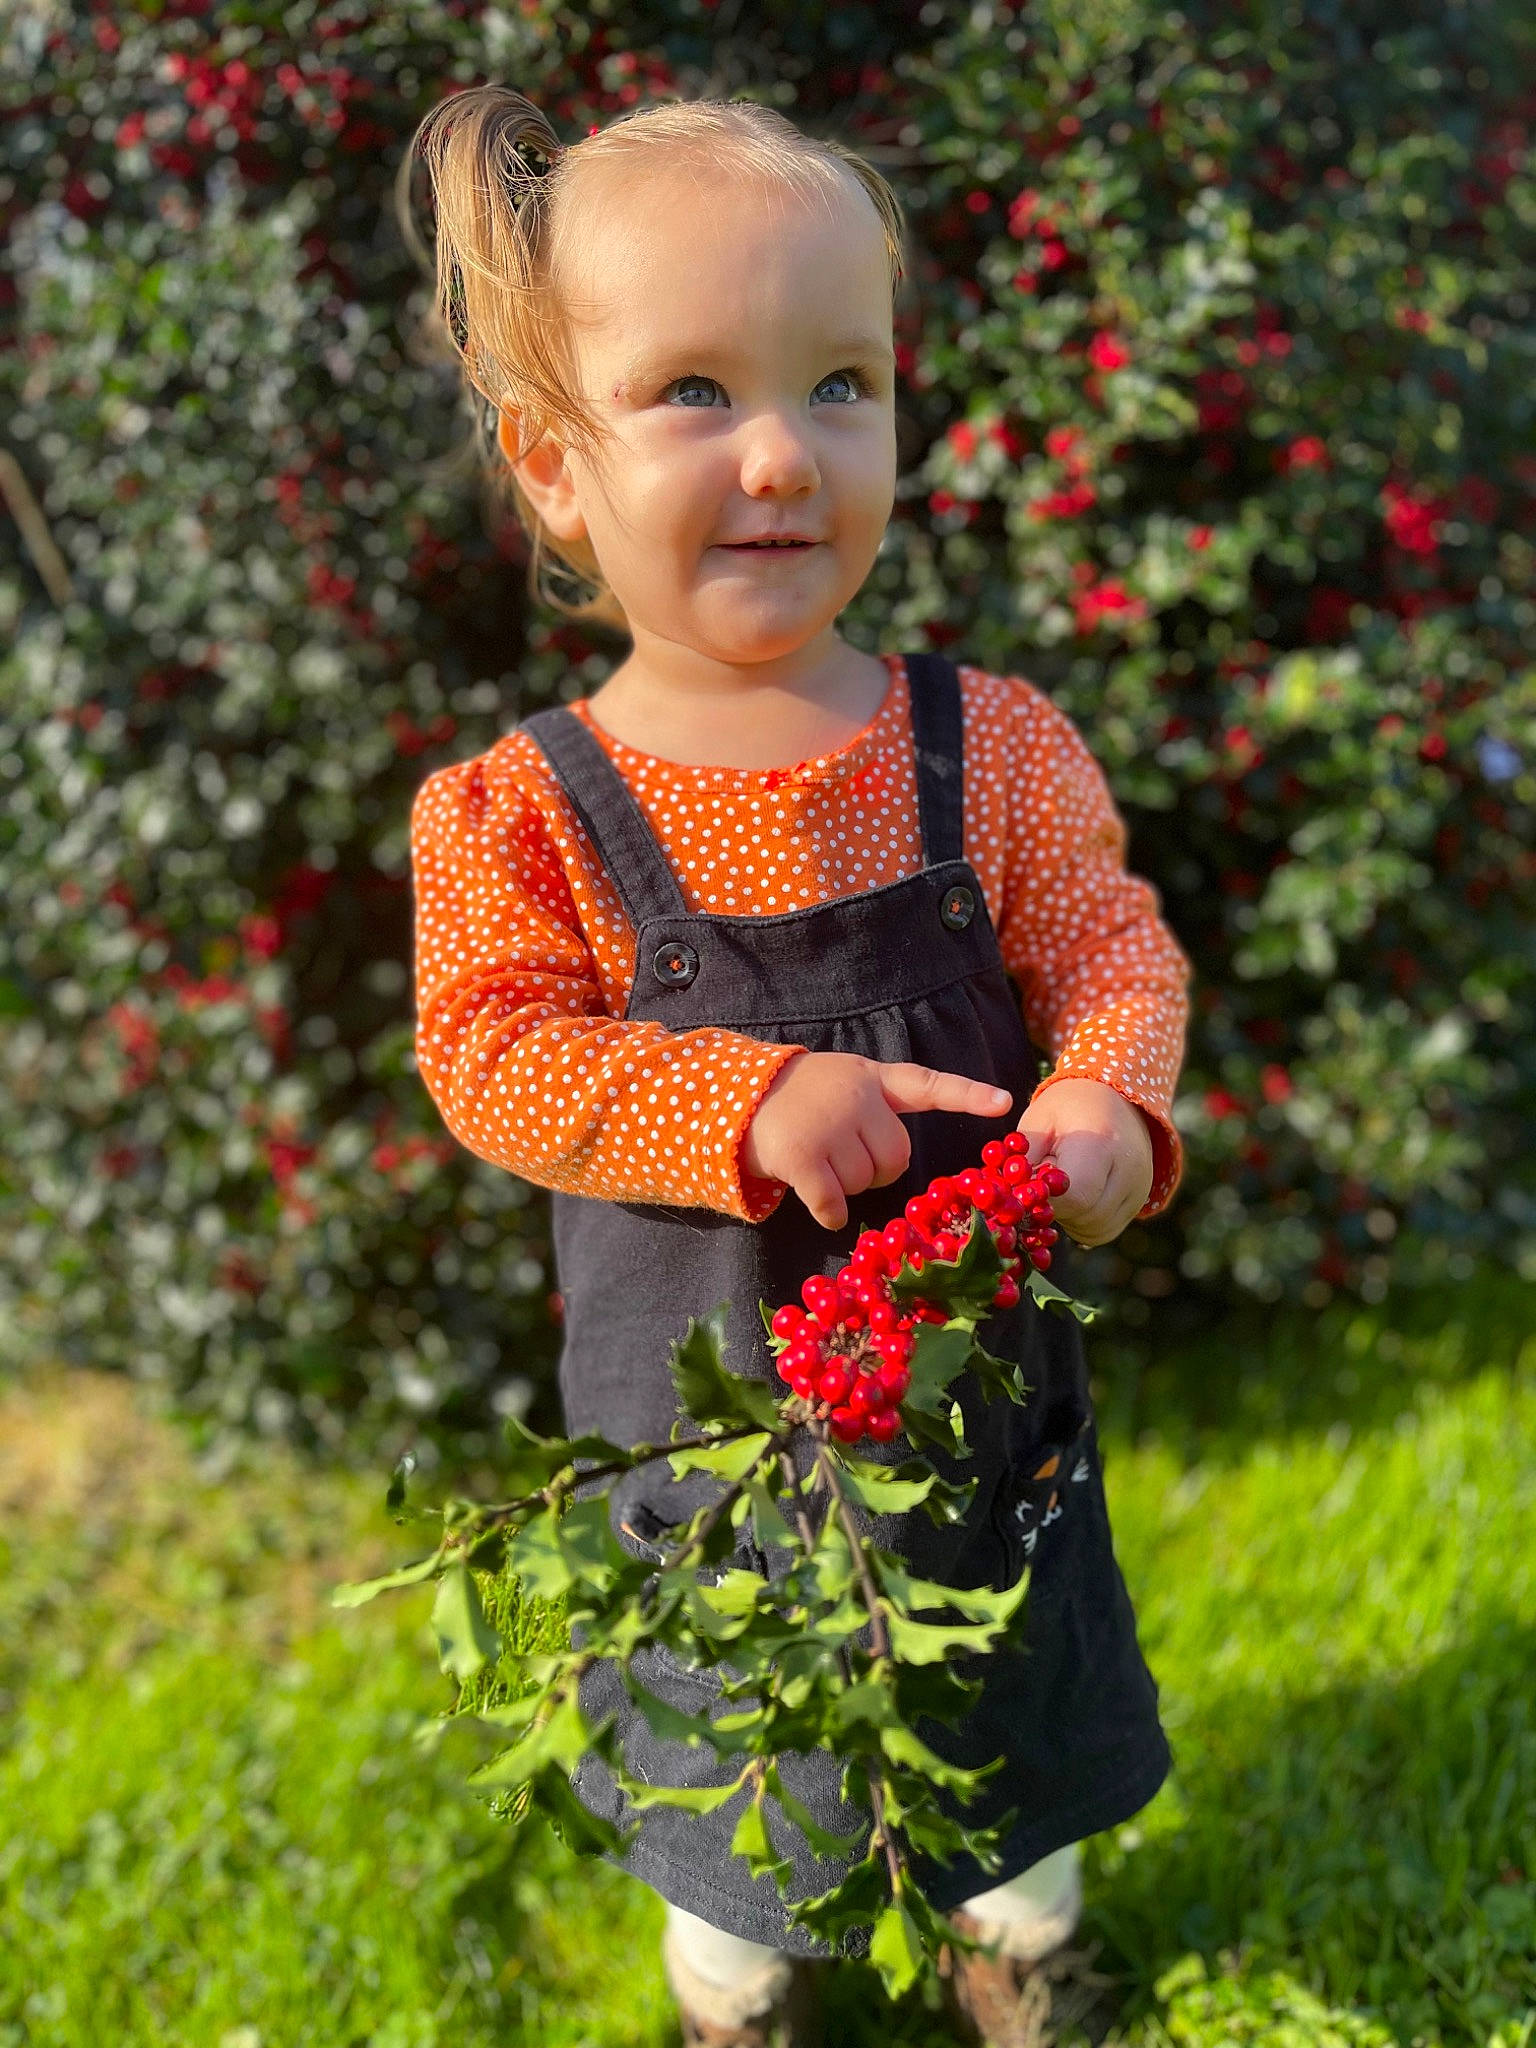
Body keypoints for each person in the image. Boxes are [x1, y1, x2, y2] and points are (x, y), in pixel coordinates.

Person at [403, 84, 1191, 2048]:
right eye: (694, 392)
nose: (782, 452)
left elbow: (1112, 945)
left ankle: (1023, 1943)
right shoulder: (525, 813)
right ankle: (738, 1989)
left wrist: (1109, 1096)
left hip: (968, 1418)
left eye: (843, 383)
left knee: (1001, 1684)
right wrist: (735, 1098)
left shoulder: (986, 747)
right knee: (730, 1740)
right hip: (719, 1446)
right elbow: (491, 1055)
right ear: (552, 466)